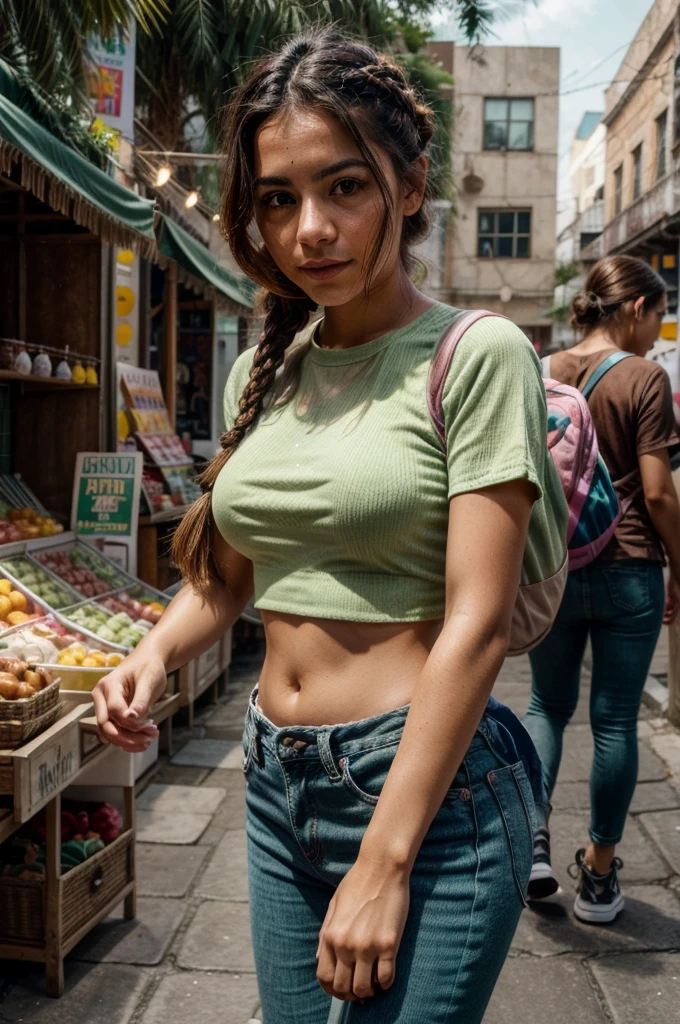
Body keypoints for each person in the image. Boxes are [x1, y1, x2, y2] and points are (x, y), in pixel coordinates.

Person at [93, 28, 566, 1023]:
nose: (309, 228)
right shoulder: (262, 371)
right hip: (275, 787)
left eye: (342, 186)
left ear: (406, 185)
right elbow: (229, 578)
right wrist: (153, 650)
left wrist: (384, 859)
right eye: (277, 198)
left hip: (429, 802)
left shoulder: (475, 355)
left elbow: (475, 622)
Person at [524, 255, 680, 923]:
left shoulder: (546, 369)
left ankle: (529, 840)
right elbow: (657, 491)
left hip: (555, 564)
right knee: (615, 721)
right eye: (659, 315)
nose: (659, 329)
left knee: (546, 706)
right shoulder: (646, 378)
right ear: (637, 310)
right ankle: (598, 875)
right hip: (630, 566)